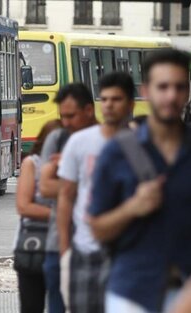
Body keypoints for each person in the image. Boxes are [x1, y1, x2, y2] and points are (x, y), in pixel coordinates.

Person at [89, 49, 191, 313]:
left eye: (179, 87)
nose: (171, 96)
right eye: (163, 87)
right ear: (146, 91)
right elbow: (97, 228)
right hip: (131, 293)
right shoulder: (118, 152)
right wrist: (133, 207)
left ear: (188, 91)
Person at [56, 72, 135, 313]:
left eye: (117, 99)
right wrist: (65, 251)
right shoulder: (79, 142)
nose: (109, 105)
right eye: (105, 99)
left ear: (130, 103)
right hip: (85, 250)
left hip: (127, 252)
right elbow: (66, 196)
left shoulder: (141, 144)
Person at [39, 83, 97, 313]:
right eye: (62, 116)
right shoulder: (57, 139)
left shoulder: (107, 140)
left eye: (71, 116)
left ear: (89, 111)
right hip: (57, 244)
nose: (66, 123)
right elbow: (45, 187)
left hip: (97, 247)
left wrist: (68, 174)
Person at [15, 119, 62, 313]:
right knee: (32, 306)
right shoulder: (32, 164)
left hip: (67, 250)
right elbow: (24, 207)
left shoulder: (77, 165)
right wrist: (63, 215)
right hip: (35, 246)